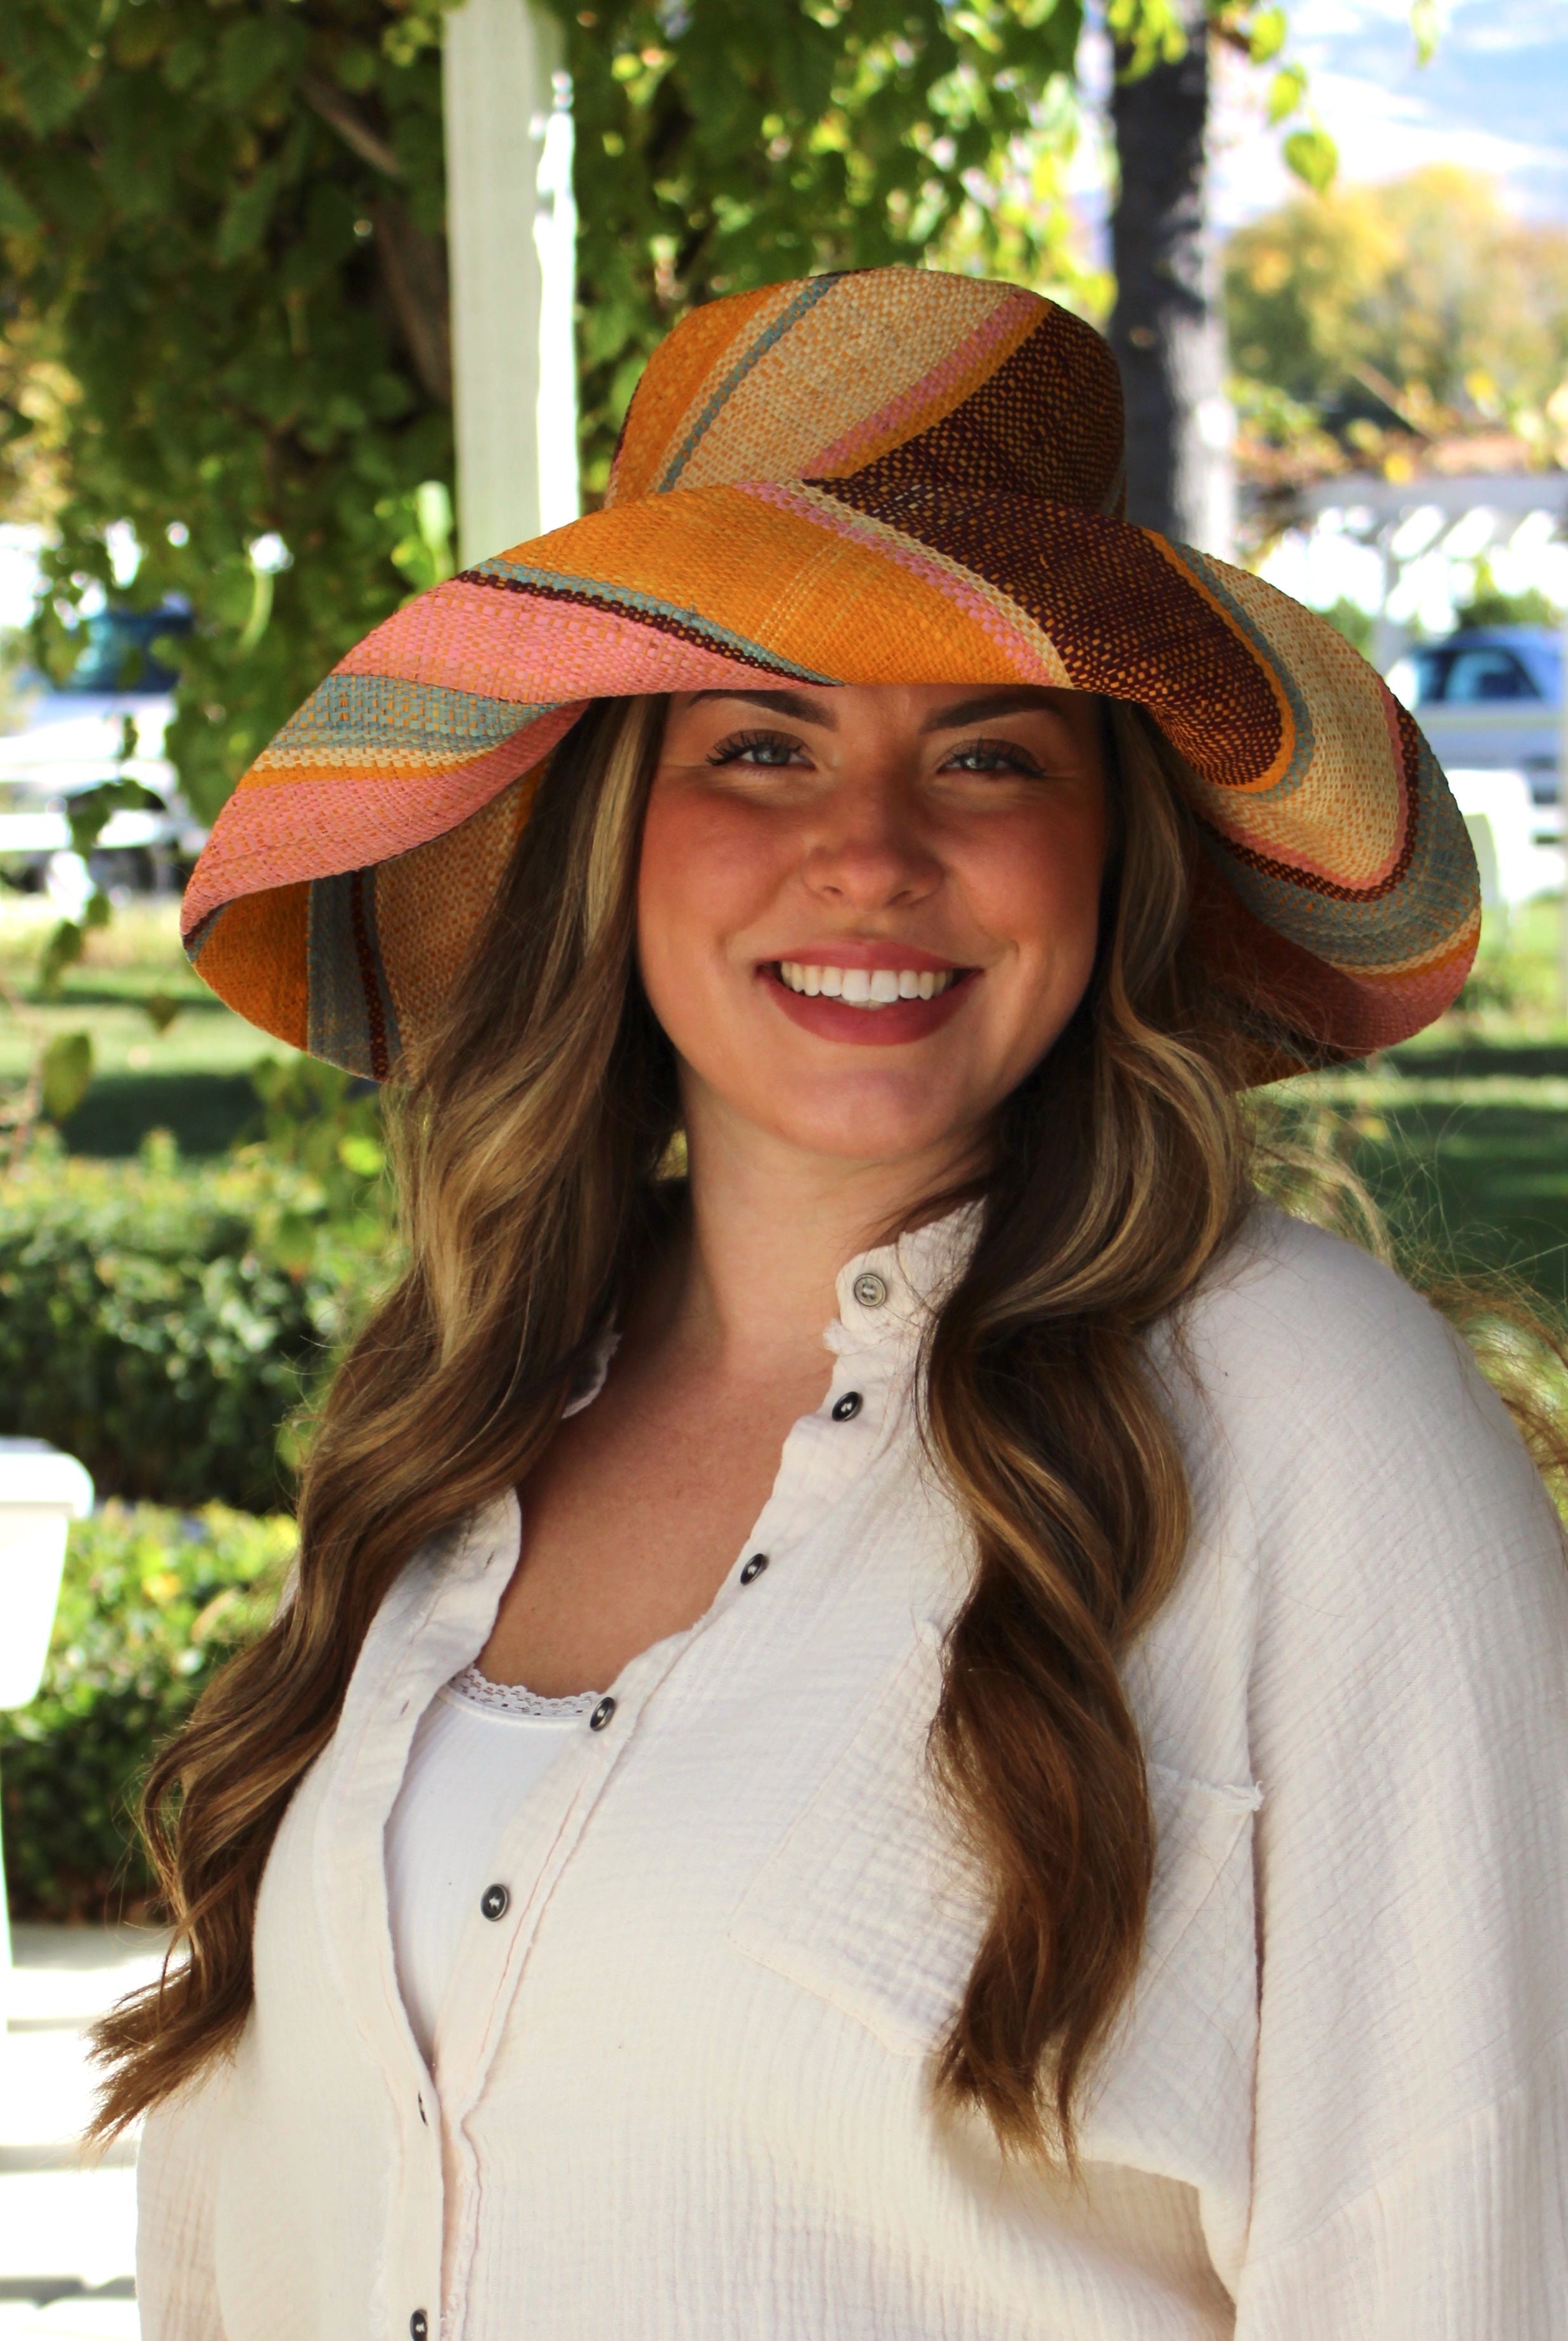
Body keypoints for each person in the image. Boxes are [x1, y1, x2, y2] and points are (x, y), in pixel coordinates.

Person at [100, 269, 1567, 2339]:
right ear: (615, 835)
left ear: (1108, 854)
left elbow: (1470, 2254)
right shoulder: (466, 1407)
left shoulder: (1306, 1425)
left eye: (987, 758)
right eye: (762, 746)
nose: (868, 853)